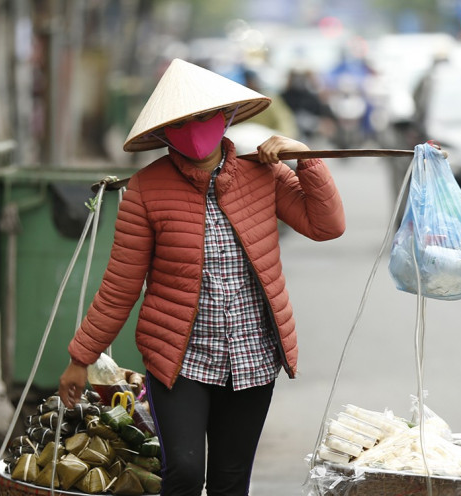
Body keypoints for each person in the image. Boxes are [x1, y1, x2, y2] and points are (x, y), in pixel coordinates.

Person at [57, 58, 345, 496]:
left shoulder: (262, 173)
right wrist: (81, 358)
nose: (194, 128)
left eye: (204, 116)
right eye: (181, 122)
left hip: (253, 356)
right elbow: (120, 286)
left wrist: (305, 158)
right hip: (180, 360)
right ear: (164, 132)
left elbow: (326, 226)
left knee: (231, 481)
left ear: (225, 117)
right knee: (186, 472)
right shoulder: (145, 190)